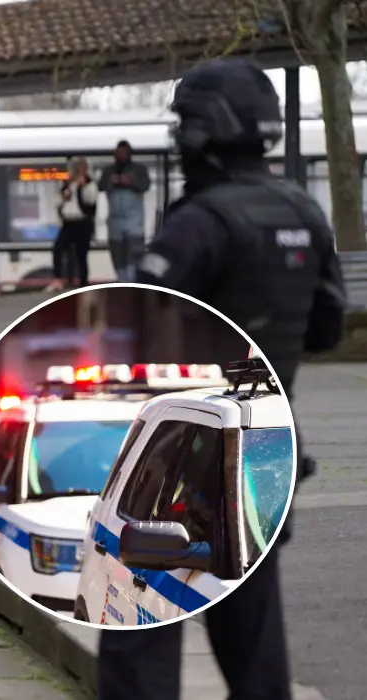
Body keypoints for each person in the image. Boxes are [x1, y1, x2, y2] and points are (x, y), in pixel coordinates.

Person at [104, 57, 346, 700]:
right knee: (253, 641)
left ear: (204, 129)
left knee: (140, 627)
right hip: (265, 452)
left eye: (184, 122)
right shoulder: (304, 212)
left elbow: (138, 330)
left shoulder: (198, 223)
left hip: (182, 460)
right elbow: (326, 330)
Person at [98, 139, 152, 282]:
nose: (121, 156)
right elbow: (100, 186)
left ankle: (133, 282)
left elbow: (145, 185)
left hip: (134, 220)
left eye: (124, 153)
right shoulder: (108, 171)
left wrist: (130, 182)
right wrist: (112, 181)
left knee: (134, 253)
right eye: (119, 153)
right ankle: (122, 280)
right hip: (115, 219)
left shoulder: (139, 170)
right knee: (117, 254)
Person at [50, 157, 97, 291]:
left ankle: (83, 281)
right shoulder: (66, 184)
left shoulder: (90, 184)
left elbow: (91, 201)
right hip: (68, 222)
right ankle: (58, 279)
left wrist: (83, 186)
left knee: (81, 254)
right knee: (58, 248)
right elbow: (57, 202)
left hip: (82, 222)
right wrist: (64, 196)